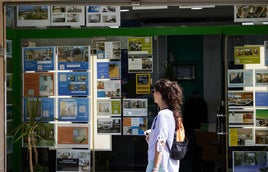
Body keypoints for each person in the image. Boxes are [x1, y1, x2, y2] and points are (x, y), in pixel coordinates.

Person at [145, 79, 184, 172]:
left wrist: (155, 167)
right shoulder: (172, 114)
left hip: (161, 164)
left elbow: (161, 141)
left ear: (159, 94)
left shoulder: (163, 115)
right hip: (169, 163)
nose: (153, 94)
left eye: (153, 91)